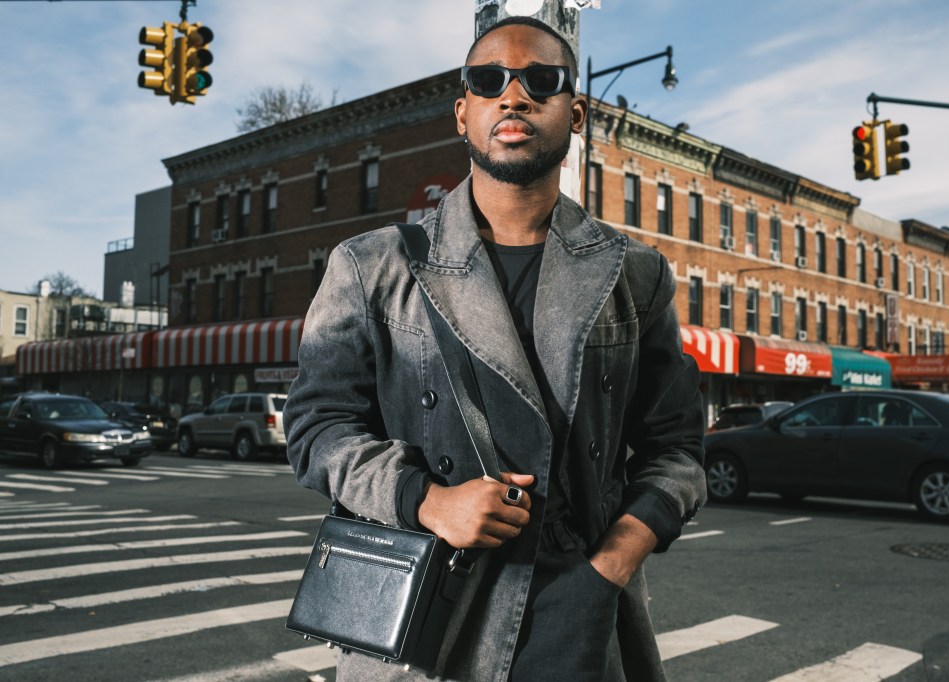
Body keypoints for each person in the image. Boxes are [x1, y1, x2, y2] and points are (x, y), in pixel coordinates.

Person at [285, 16, 706, 682]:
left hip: (580, 608)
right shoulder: (374, 265)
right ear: (463, 113)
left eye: (542, 79)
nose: (514, 96)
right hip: (428, 611)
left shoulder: (634, 273)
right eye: (489, 81)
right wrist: (427, 500)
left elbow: (678, 448)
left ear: (577, 113)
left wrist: (617, 560)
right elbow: (316, 430)